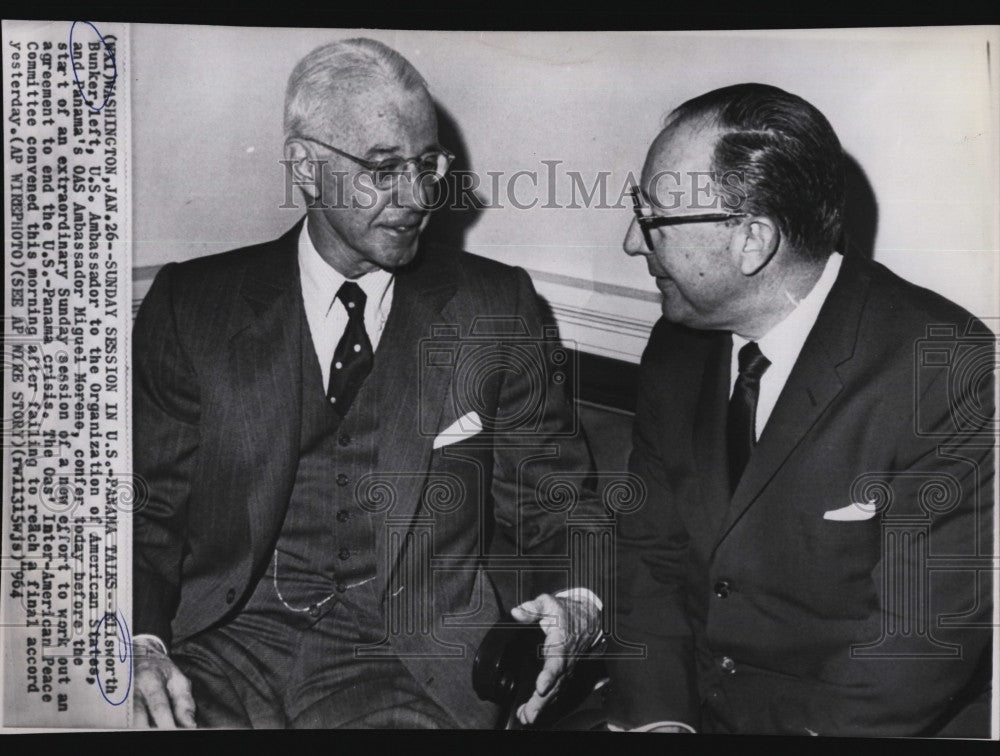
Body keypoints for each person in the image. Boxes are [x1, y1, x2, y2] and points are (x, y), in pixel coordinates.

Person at [131, 38, 604, 729]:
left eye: (428, 165)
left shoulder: (497, 309)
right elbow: (146, 512)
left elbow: (561, 504)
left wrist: (577, 605)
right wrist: (140, 641)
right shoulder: (192, 306)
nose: (417, 197)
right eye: (384, 169)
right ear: (304, 165)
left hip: (406, 661)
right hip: (221, 643)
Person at [606, 83, 994, 736]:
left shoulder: (944, 371)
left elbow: (914, 652)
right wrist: (660, 719)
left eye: (652, 219)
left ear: (753, 240)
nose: (629, 243)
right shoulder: (676, 346)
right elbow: (648, 559)